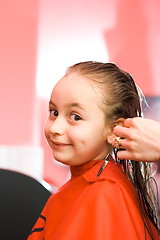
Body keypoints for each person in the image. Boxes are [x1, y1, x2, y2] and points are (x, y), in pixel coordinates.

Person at [27, 61, 160, 240]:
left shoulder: (105, 193)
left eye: (75, 117)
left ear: (115, 130)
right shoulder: (84, 187)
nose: (55, 128)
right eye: (54, 112)